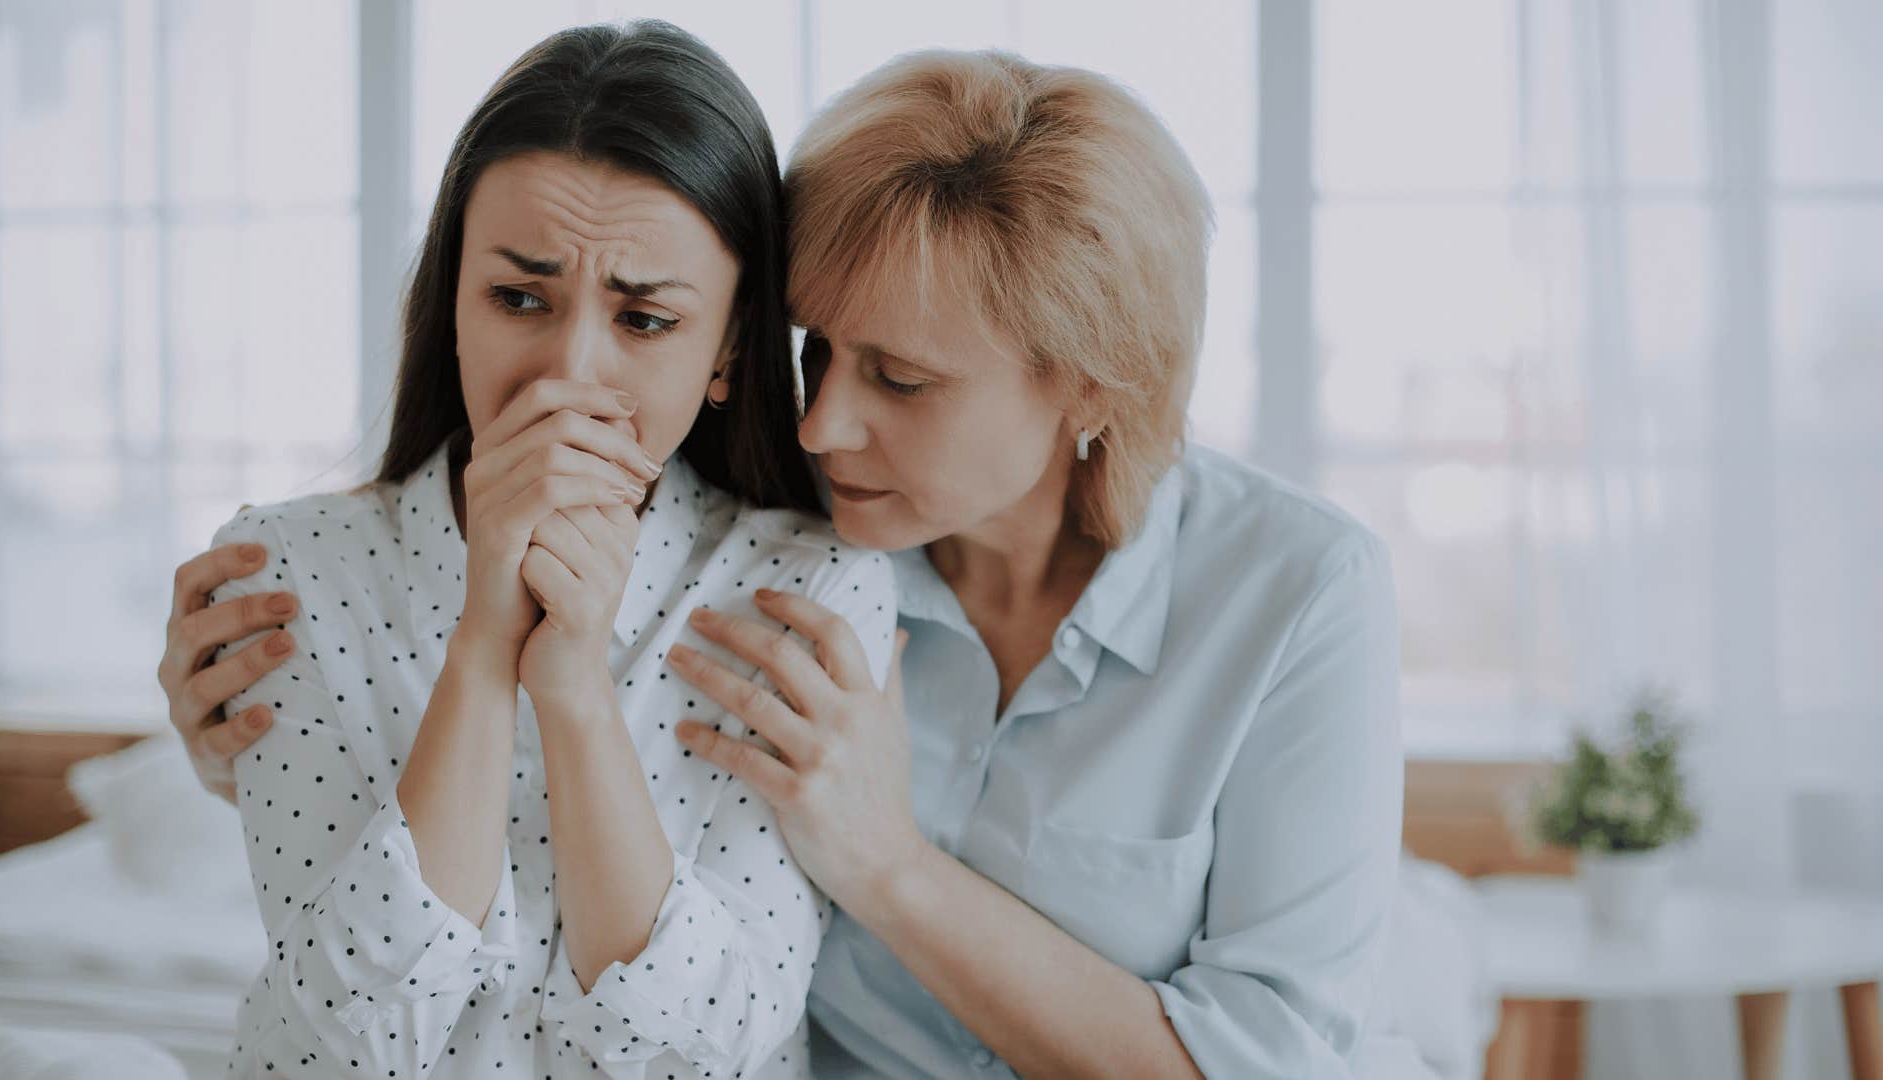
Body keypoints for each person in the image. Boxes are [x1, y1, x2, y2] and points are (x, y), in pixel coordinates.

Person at [167, 43, 1405, 1079]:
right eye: (818, 352)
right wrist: (236, 743)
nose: (821, 426)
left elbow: (1271, 1057)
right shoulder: (784, 526)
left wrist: (890, 869)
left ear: (1092, 387)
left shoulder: (1294, 593)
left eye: (902, 380)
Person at [186, 22, 896, 1079]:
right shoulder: (290, 573)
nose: (567, 374)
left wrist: (573, 688)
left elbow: (709, 1053)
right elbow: (338, 1050)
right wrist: (484, 644)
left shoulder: (810, 589)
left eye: (646, 320)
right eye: (519, 299)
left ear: (728, 348)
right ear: (454, 307)